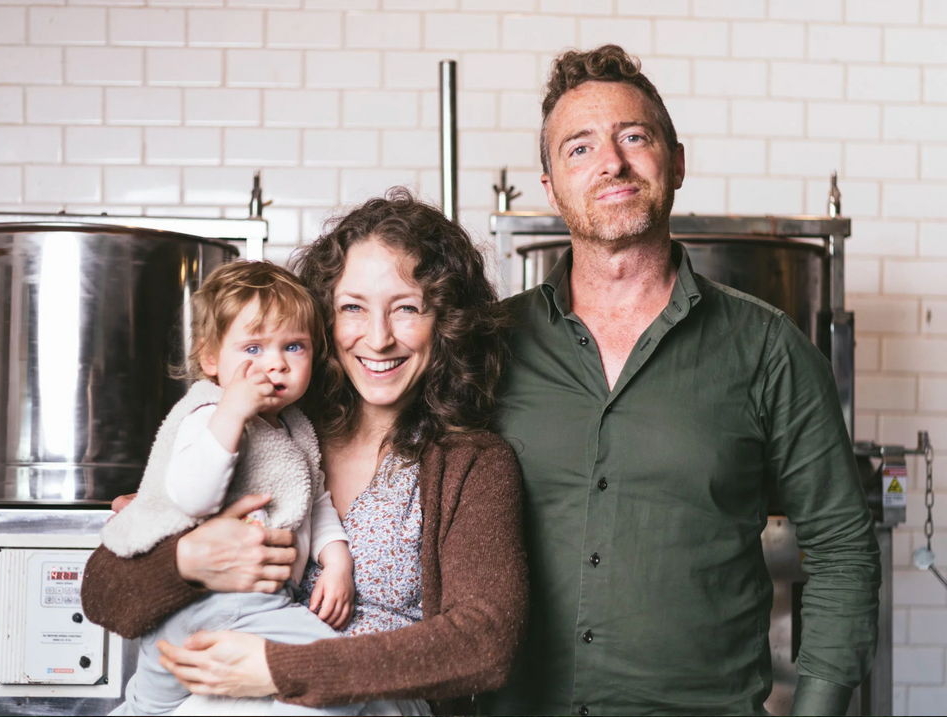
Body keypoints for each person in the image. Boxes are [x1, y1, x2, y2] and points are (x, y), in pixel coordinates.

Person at [481, 45, 880, 716]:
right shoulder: (489, 346)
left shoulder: (767, 348)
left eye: (633, 136)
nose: (610, 162)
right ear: (549, 187)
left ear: (678, 161)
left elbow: (843, 549)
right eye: (578, 148)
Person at [80, 191, 527, 714]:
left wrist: (280, 669)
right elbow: (102, 594)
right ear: (321, 325)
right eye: (353, 308)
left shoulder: (473, 463)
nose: (378, 338)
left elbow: (485, 644)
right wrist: (188, 561)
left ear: (446, 321)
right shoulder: (275, 427)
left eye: (406, 309)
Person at [98, 261, 358, 715]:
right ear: (211, 358)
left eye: (293, 346)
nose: (275, 363)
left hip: (217, 616)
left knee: (148, 706)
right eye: (253, 347)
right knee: (337, 674)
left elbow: (315, 502)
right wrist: (232, 416)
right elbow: (193, 496)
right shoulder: (207, 416)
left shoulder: (296, 431)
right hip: (218, 605)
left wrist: (337, 565)